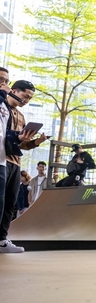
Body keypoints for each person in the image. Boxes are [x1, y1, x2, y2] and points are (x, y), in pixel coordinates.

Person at [1, 79, 47, 254]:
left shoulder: (21, 116)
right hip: (2, 160)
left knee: (10, 202)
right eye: (25, 96)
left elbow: (22, 144)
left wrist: (36, 141)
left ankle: (2, 239)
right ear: (13, 91)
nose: (26, 100)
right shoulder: (2, 107)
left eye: (30, 98)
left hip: (15, 163)